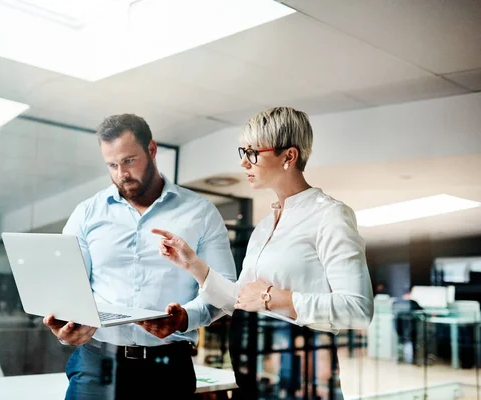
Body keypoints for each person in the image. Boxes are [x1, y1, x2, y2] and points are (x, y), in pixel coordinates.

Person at [152, 106, 374, 397]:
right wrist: (193, 264)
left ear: (289, 157)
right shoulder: (265, 225)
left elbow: (358, 310)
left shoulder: (330, 215)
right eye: (242, 152)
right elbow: (241, 300)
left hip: (299, 377)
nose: (244, 163)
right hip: (253, 375)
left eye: (253, 153)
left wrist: (274, 298)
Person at [42, 113, 237, 400]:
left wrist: (184, 319)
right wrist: (65, 327)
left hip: (168, 367)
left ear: (152, 150)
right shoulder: (86, 213)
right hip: (96, 363)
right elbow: (69, 288)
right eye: (112, 164)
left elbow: (225, 289)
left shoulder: (200, 212)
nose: (121, 173)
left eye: (129, 160)